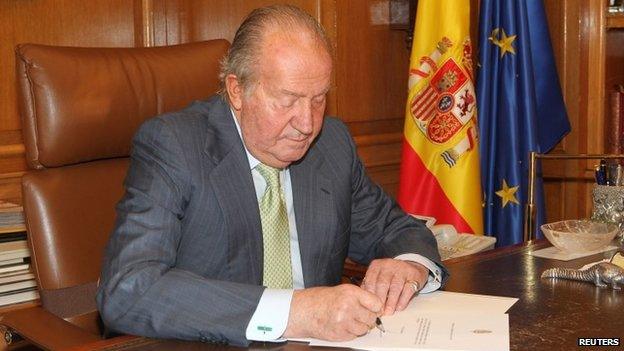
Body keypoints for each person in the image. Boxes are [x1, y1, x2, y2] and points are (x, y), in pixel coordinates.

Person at [96, 4, 447, 347]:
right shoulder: (176, 147)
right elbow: (129, 289)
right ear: (237, 90)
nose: (307, 124)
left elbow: (398, 230)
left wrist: (409, 266)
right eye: (287, 100)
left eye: (319, 99)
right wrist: (296, 312)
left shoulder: (332, 145)